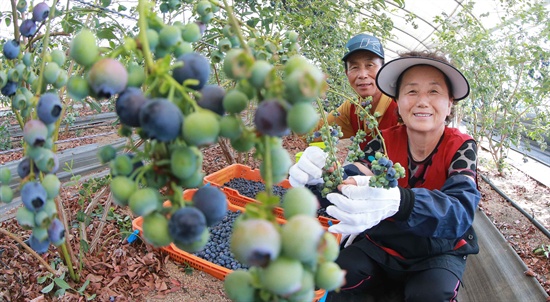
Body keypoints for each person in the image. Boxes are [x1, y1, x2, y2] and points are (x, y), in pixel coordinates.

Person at [291, 51, 480, 301]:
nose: (422, 101)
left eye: (434, 92)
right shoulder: (384, 142)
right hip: (384, 243)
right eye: (411, 91)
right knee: (340, 275)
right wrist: (322, 180)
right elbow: (355, 175)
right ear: (398, 102)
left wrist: (403, 202)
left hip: (436, 250)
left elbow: (460, 210)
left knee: (430, 293)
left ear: (449, 102)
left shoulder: (461, 147)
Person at [309, 33, 399, 150]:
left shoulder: (400, 106)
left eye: (370, 65)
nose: (362, 75)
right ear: (347, 73)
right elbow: (316, 132)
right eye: (354, 67)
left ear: (383, 69)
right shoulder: (352, 108)